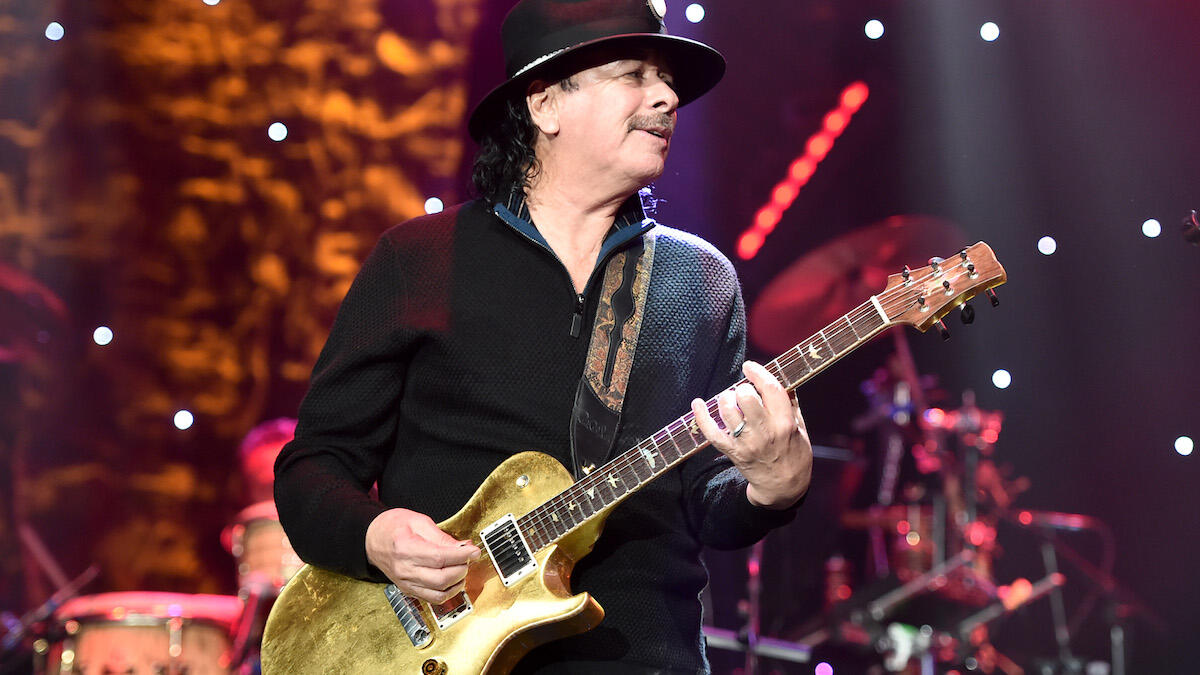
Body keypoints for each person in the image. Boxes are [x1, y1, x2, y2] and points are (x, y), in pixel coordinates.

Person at [273, 1, 814, 672]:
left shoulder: (700, 280)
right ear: (545, 103)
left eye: (668, 80)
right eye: (635, 74)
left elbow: (710, 506)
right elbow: (313, 469)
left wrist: (773, 487)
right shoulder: (419, 260)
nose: (668, 98)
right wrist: (375, 534)